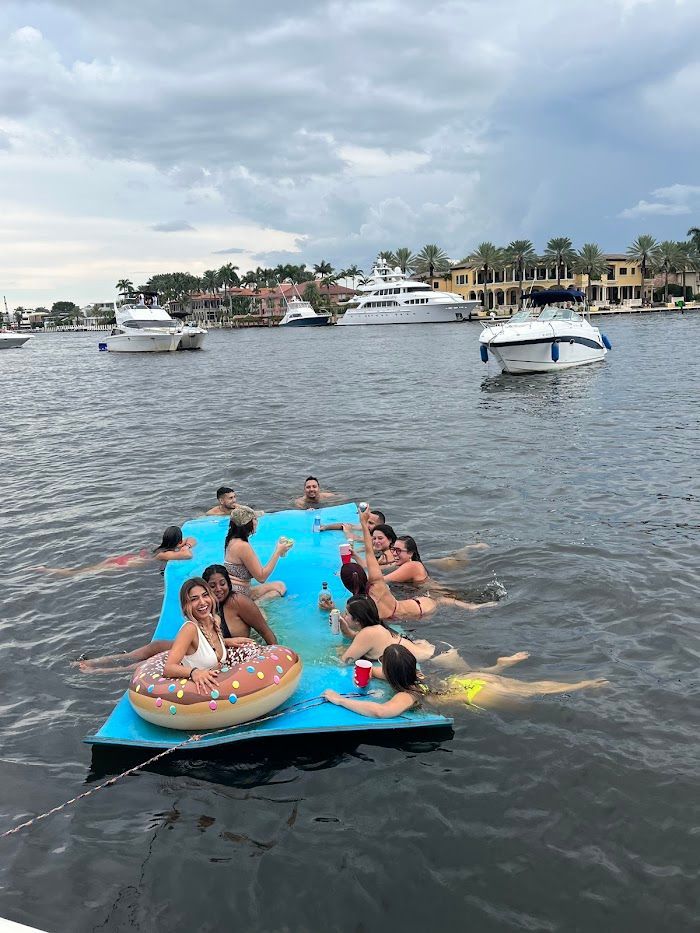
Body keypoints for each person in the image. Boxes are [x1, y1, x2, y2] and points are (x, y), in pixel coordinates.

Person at [323, 643, 608, 717]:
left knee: (532, 701)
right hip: (469, 680)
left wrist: (338, 699)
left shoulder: (407, 695)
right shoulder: (415, 675)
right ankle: (585, 683)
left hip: (473, 696)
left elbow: (379, 711)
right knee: (533, 688)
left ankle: (585, 687)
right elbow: (375, 671)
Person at [341, 507, 494, 620]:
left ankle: (470, 550)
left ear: (411, 554)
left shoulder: (411, 566)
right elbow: (375, 568)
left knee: (449, 595)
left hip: (435, 593)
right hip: (422, 594)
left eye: (398, 551)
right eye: (393, 550)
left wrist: (357, 576)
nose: (394, 553)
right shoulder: (402, 565)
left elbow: (381, 577)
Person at [163, 578, 258, 693]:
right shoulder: (190, 629)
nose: (202, 602)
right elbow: (168, 668)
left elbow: (209, 645)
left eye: (205, 595)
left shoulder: (215, 620)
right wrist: (194, 672)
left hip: (223, 685)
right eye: (194, 599)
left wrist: (227, 642)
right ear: (186, 605)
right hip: (202, 694)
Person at [35, 525, 196, 577]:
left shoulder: (160, 550)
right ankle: (47, 571)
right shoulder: (164, 554)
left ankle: (45, 569)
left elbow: (185, 543)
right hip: (124, 565)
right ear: (177, 541)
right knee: (79, 573)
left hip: (124, 559)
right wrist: (186, 545)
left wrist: (183, 543)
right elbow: (187, 555)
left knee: (86, 569)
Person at [339, 595, 436, 664]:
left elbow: (344, 662)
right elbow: (357, 640)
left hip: (432, 659)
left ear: (357, 620)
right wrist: (344, 628)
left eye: (347, 614)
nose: (344, 615)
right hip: (428, 650)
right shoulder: (376, 627)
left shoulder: (367, 633)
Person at [224, 505, 291, 601]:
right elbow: (262, 577)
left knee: (280, 585)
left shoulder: (231, 540)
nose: (257, 522)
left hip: (233, 590)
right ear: (249, 524)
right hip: (240, 594)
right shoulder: (242, 546)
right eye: (255, 519)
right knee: (279, 589)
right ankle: (256, 606)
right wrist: (278, 552)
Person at [202, 564, 277, 644]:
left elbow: (265, 632)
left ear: (228, 584)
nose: (218, 589)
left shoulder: (239, 602)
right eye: (212, 586)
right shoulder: (203, 608)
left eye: (223, 584)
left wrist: (276, 652)